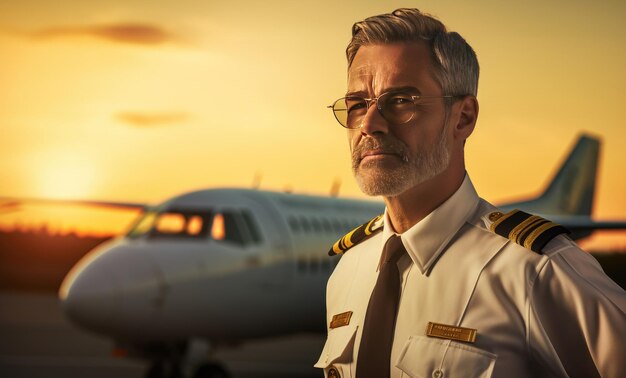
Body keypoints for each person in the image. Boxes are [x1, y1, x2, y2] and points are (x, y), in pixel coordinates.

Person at [314, 8, 626, 378]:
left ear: (463, 118)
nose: (369, 124)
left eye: (401, 101)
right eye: (356, 105)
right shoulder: (348, 272)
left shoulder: (538, 273)